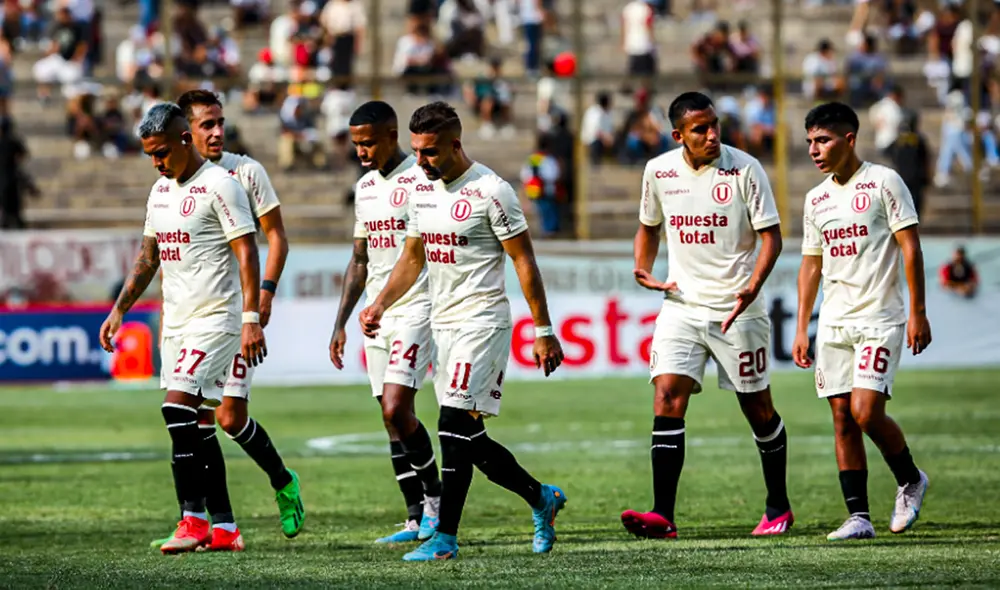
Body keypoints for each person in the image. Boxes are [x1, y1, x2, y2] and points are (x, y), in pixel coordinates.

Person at [359, 101, 567, 561]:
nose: (420, 161)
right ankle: (540, 497)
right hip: (443, 325)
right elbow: (412, 258)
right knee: (466, 437)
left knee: (451, 424)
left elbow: (523, 260)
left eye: (430, 152)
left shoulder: (492, 191)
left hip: (482, 321)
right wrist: (379, 303)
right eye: (415, 151)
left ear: (455, 144)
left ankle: (445, 537)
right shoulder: (422, 191)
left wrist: (544, 329)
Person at [98, 103, 274, 554]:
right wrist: (119, 309)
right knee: (196, 422)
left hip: (216, 319)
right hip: (174, 323)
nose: (156, 163)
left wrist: (251, 318)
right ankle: (225, 526)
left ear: (183, 139)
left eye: (160, 152)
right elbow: (148, 257)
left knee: (176, 409)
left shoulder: (222, 186)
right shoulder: (159, 192)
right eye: (149, 155)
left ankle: (192, 518)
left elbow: (248, 253)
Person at [623, 91, 792, 539]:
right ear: (678, 135)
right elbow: (649, 225)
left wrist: (752, 286)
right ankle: (663, 515)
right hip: (681, 306)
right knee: (666, 397)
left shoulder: (744, 169)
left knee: (757, 408)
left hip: (739, 310)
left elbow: (771, 237)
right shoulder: (658, 171)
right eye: (701, 129)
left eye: (715, 124)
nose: (712, 134)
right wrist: (643, 265)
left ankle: (778, 506)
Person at [139, 90, 303, 551]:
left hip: (231, 314)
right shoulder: (171, 181)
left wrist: (261, 300)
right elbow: (159, 256)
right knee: (206, 421)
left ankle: (280, 480)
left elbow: (276, 239)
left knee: (228, 417)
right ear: (185, 133)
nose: (215, 132)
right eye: (205, 124)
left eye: (219, 122)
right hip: (190, 321)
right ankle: (224, 526)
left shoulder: (244, 172)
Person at [793, 102, 931, 541]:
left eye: (823, 140)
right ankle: (859, 518)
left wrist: (918, 312)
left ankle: (910, 479)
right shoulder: (815, 199)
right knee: (841, 418)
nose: (815, 150)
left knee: (866, 411)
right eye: (810, 141)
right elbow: (811, 265)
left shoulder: (884, 181)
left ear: (849, 139)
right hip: (834, 322)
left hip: (880, 317)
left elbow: (910, 247)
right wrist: (802, 326)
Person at [328, 100, 443, 544]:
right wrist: (339, 323)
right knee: (388, 416)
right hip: (377, 314)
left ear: (392, 135)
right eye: (356, 144)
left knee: (399, 407)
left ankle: (436, 504)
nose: (361, 152)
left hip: (417, 306)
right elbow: (360, 258)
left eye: (368, 143)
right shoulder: (366, 187)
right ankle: (415, 517)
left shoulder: (422, 179)